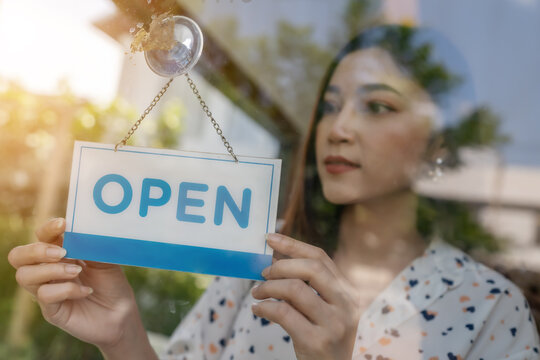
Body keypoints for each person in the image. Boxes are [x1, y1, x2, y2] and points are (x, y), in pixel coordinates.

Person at [8, 25, 540, 360]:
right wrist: (121, 335)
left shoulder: (494, 309)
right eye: (330, 105)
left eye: (377, 106)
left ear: (438, 148)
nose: (339, 128)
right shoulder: (257, 251)